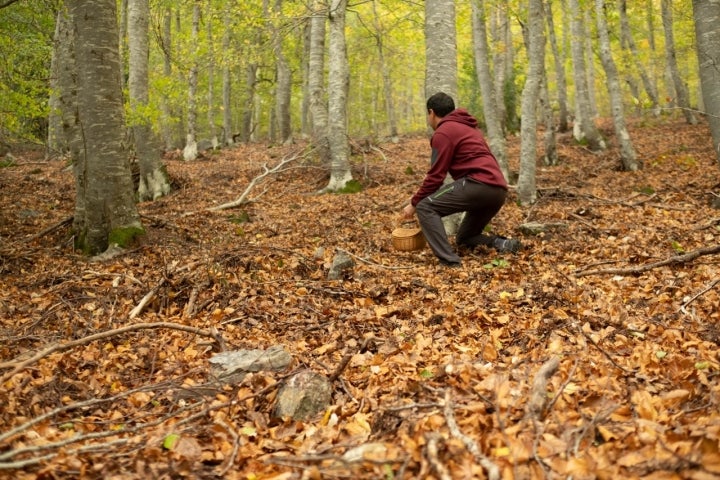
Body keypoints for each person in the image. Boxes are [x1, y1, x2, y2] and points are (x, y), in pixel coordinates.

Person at [402, 92, 520, 268]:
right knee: (465, 238)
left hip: (478, 184)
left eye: (428, 115)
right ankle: (502, 244)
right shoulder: (469, 128)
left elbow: (436, 177)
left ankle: (450, 262)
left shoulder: (444, 132)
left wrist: (414, 203)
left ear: (431, 112)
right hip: (498, 190)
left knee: (425, 207)